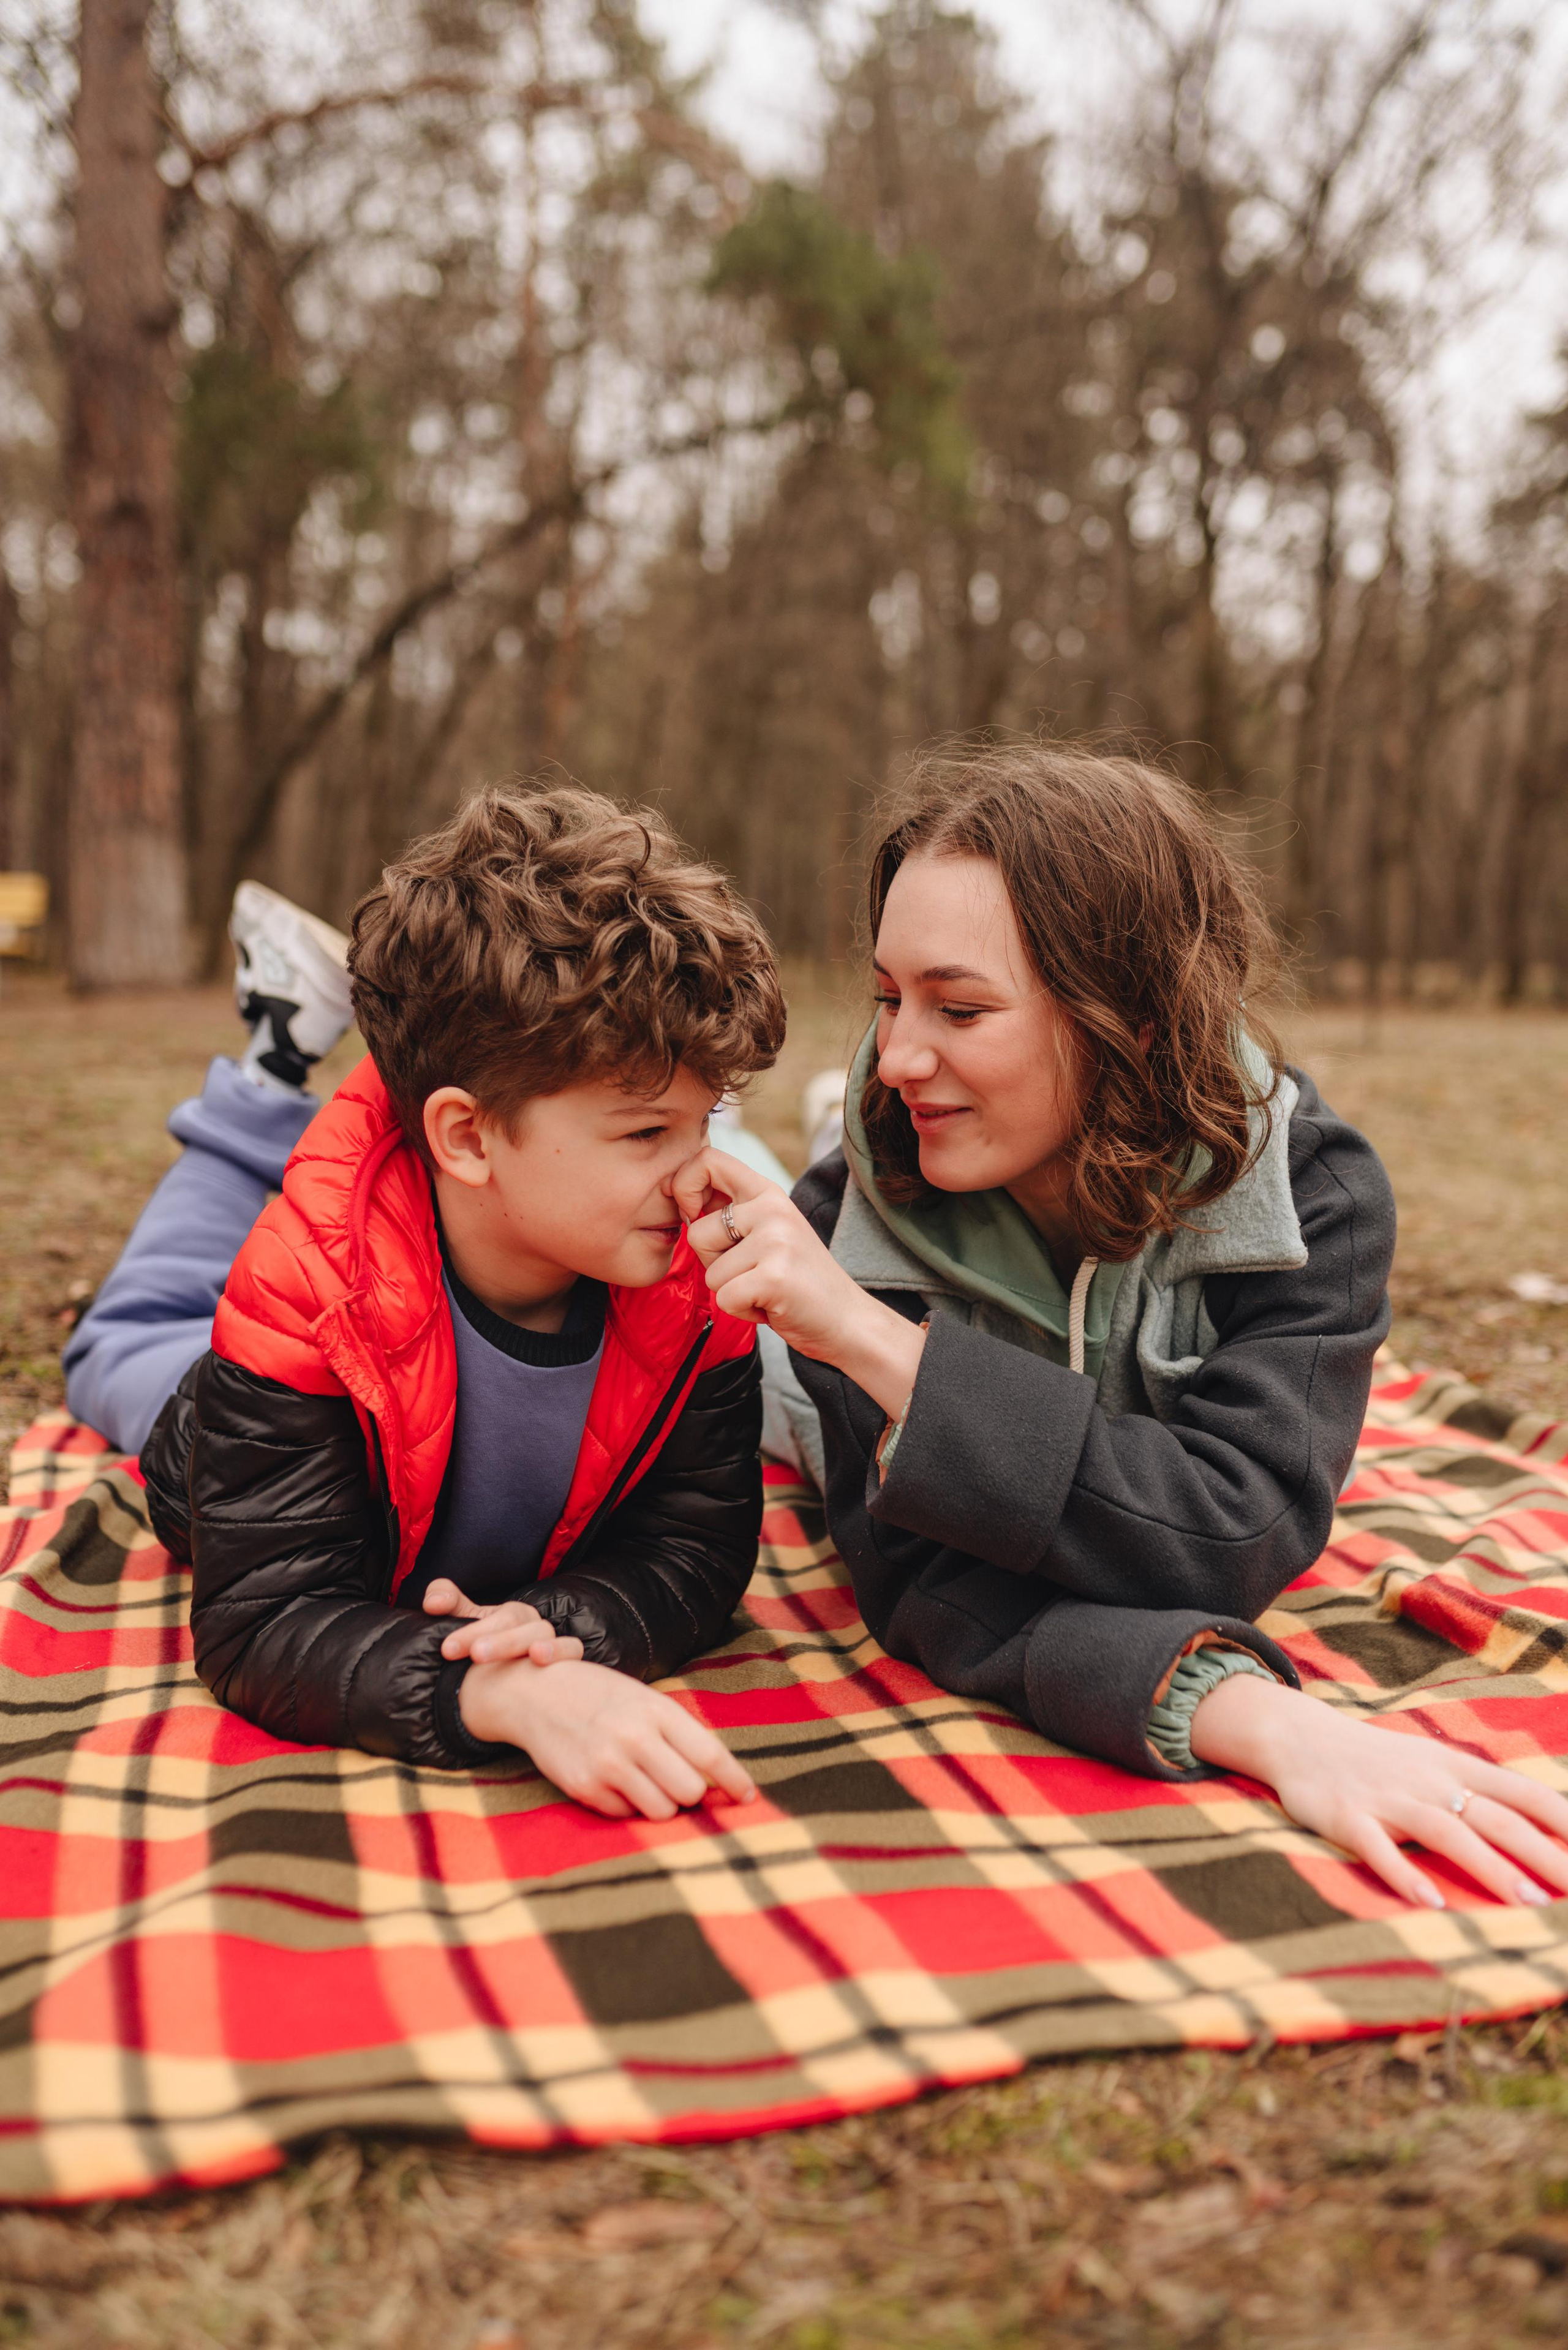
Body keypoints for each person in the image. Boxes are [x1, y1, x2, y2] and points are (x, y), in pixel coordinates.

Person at [677, 741, 1568, 1911]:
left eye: (960, 1006)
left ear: (1134, 1019)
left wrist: (890, 1352)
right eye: (889, 998)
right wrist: (1254, 1717)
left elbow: (1229, 1535)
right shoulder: (844, 1228)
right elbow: (929, 1592)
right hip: (814, 1367)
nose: (896, 1053)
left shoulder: (1316, 1199)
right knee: (731, 1212)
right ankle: (753, 1138)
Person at [70, 787, 785, 1818]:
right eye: (644, 1135)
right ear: (464, 1135)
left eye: (702, 1123)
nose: (696, 1178)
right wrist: (488, 1690)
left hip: (391, 1262)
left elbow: (693, 1550)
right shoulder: (306, 1299)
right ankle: (274, 1057)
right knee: (126, 1341)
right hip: (224, 1420)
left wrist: (556, 1627)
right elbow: (266, 1622)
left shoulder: (692, 1286)